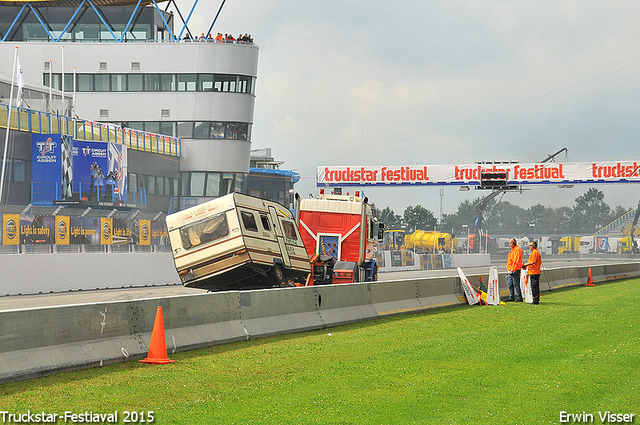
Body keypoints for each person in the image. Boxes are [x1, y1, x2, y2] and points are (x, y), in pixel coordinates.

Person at [523, 240, 542, 304]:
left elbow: (532, 262)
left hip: (534, 272)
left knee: (534, 286)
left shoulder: (535, 252)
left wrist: (525, 264)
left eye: (530, 245)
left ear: (534, 246)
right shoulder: (534, 252)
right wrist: (526, 266)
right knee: (534, 286)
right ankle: (536, 299)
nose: (529, 246)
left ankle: (536, 300)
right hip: (533, 271)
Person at [506, 238, 523, 302]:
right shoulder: (512, 250)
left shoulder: (517, 250)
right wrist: (509, 269)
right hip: (511, 270)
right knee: (510, 284)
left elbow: (516, 261)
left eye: (510, 243)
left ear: (513, 243)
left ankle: (519, 297)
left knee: (516, 284)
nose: (510, 244)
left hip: (515, 270)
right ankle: (511, 296)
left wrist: (513, 270)